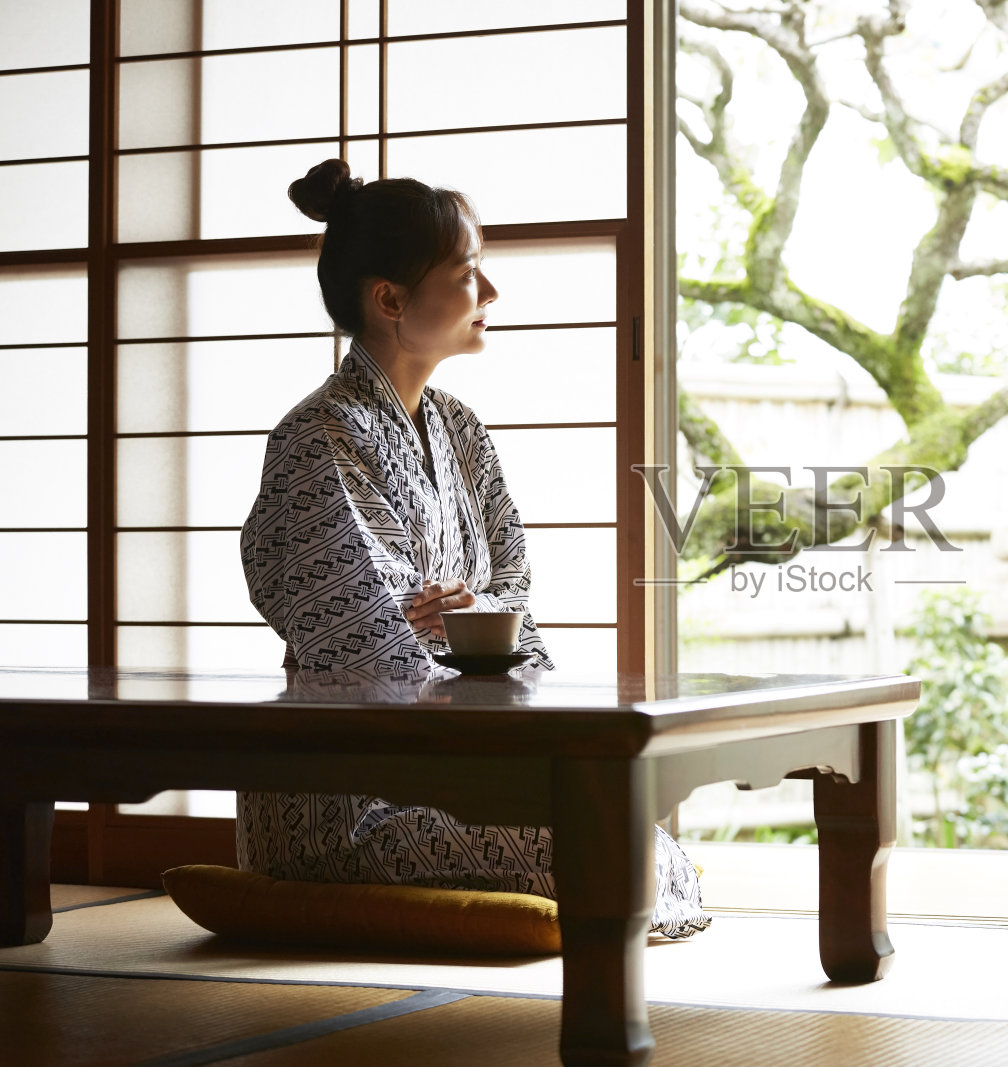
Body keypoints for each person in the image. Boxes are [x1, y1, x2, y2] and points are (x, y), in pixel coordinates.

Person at [237, 158, 710, 939]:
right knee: (606, 850)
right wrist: (459, 632)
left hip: (463, 764)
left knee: (622, 834)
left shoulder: (459, 426)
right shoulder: (320, 438)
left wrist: (477, 609)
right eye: (467, 273)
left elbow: (512, 577)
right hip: (352, 791)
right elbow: (367, 638)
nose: (488, 291)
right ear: (390, 299)